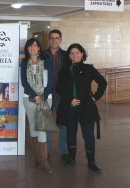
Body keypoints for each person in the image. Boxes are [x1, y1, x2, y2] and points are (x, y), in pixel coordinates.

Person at [56, 43, 107, 173]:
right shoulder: (64, 70)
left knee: (88, 135)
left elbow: (103, 82)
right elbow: (59, 88)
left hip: (86, 107)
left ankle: (91, 162)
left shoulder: (89, 69)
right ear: (69, 55)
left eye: (78, 53)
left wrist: (95, 97)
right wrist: (69, 98)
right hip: (69, 107)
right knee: (70, 134)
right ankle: (71, 158)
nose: (75, 55)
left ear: (82, 54)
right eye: (72, 53)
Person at [21, 38, 54, 174]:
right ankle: (36, 157)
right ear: (27, 49)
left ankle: (44, 160)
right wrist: (35, 95)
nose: (33, 48)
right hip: (29, 98)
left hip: (46, 98)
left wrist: (43, 96)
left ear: (39, 48)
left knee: (42, 128)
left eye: (35, 45)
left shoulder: (46, 61)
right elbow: (24, 81)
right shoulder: (24, 62)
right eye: (30, 46)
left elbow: (50, 80)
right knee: (33, 127)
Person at [45, 29, 69, 162]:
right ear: (49, 40)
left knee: (63, 124)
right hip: (47, 95)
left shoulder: (66, 56)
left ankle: (64, 151)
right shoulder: (42, 55)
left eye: (57, 38)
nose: (54, 40)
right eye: (52, 38)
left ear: (60, 40)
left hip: (62, 96)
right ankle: (46, 151)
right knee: (47, 124)